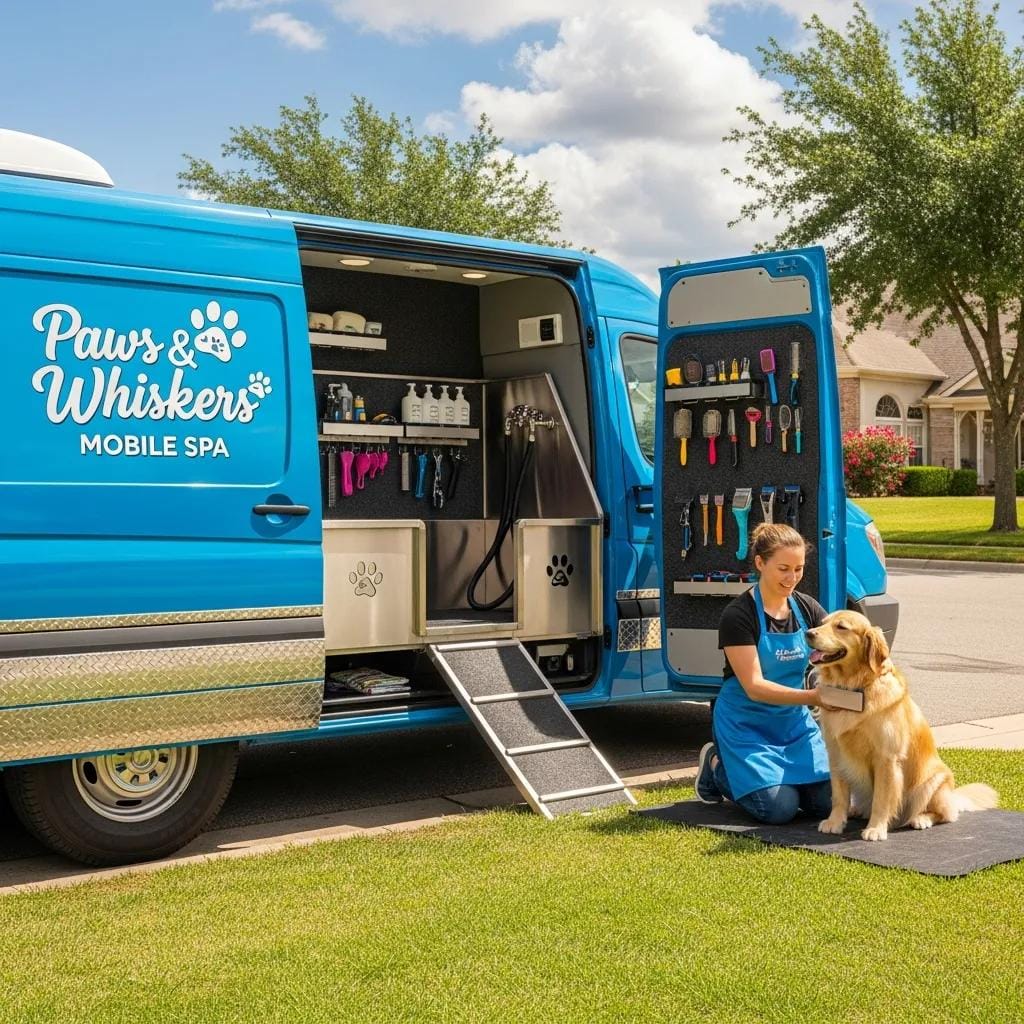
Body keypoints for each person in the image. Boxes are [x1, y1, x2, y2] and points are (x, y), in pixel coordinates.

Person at [693, 522, 832, 824]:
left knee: (826, 803)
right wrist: (815, 697)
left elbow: (839, 643)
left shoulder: (807, 608)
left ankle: (784, 781)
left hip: (792, 724)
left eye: (798, 569)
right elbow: (754, 686)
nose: (792, 578)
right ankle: (716, 767)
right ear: (760, 563)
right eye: (783, 568)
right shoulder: (738, 615)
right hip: (746, 724)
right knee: (778, 808)